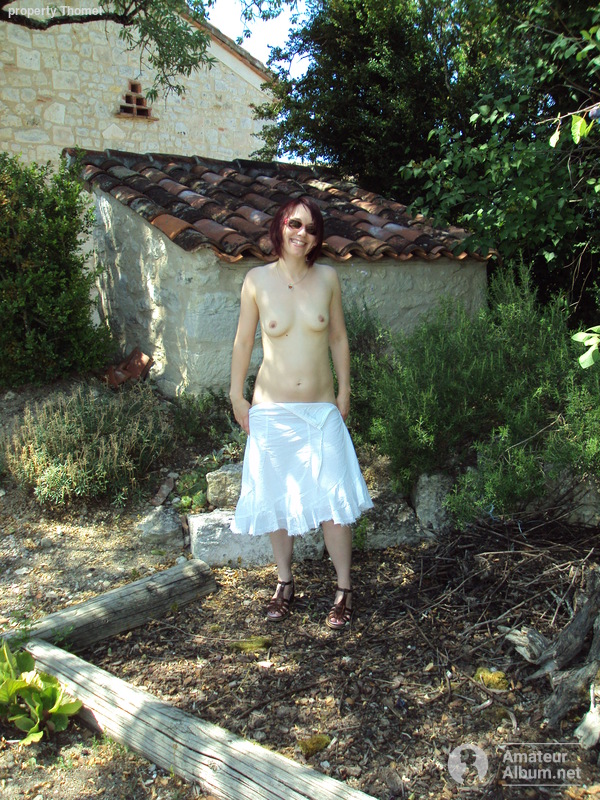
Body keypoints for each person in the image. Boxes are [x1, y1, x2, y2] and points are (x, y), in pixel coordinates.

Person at [229, 196, 373, 630]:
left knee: (334, 502)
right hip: (270, 412)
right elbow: (243, 341)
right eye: (295, 224)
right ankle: (284, 583)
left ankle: (344, 590)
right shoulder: (256, 280)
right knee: (277, 501)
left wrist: (344, 392)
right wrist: (236, 396)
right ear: (280, 226)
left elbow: (339, 339)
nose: (301, 234)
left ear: (317, 238)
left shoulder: (327, 278)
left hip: (320, 412)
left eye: (311, 229)